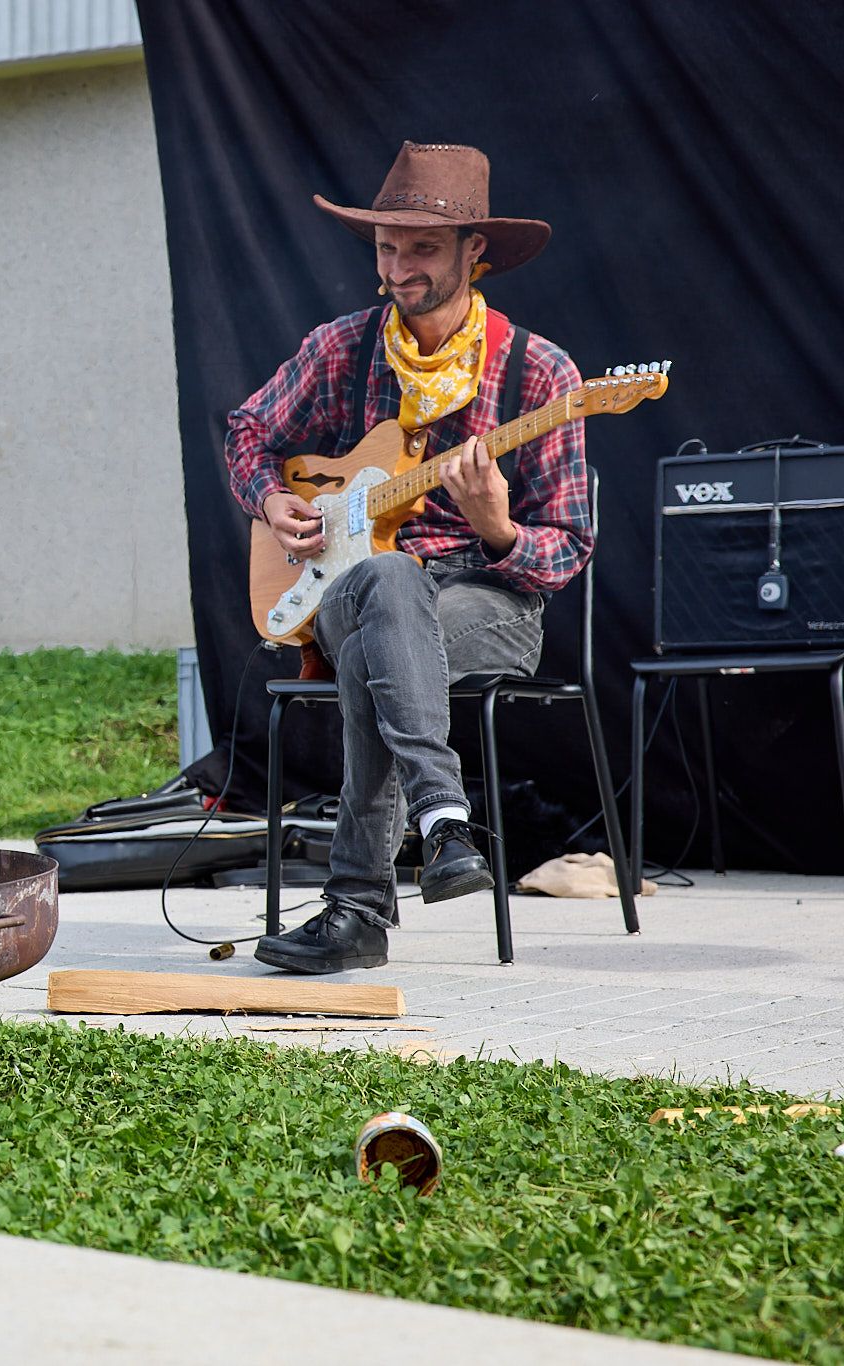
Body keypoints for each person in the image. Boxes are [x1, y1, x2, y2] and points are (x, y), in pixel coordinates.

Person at [226, 141, 593, 973]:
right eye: (387, 248)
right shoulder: (342, 348)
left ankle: (359, 906)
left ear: (477, 252)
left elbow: (564, 552)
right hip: (362, 584)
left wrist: (497, 527)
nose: (398, 267)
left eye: (421, 248)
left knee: (376, 648)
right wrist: (270, 499)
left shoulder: (542, 374)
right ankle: (443, 821)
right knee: (389, 580)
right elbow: (247, 430)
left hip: (491, 601)